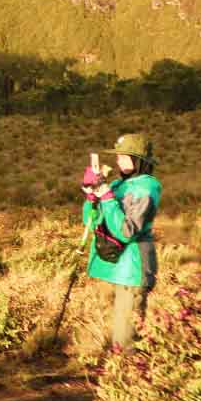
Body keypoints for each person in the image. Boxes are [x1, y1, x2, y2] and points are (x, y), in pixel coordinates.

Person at [80, 133, 161, 350]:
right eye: (119, 157)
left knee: (125, 340)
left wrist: (106, 196)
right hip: (119, 268)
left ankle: (129, 380)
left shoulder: (147, 188)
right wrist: (92, 196)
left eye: (125, 156)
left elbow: (126, 231)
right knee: (119, 334)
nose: (119, 161)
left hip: (134, 268)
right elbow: (91, 221)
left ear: (140, 161)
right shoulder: (117, 185)